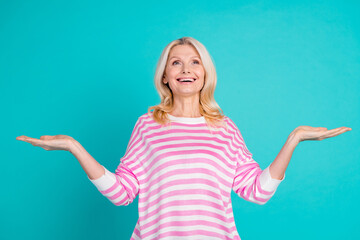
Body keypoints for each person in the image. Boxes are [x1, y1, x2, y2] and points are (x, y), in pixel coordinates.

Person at [16, 36, 351, 240]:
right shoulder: (147, 126)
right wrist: (75, 147)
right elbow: (122, 194)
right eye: (176, 62)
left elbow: (257, 192)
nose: (186, 69)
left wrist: (293, 139)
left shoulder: (225, 128)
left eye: (194, 62)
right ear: (166, 75)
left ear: (205, 73)